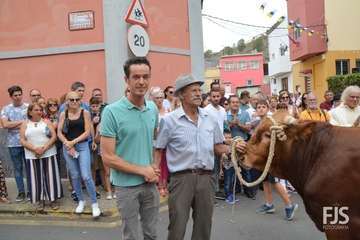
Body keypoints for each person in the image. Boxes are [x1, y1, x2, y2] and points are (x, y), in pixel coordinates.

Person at [155, 74, 229, 240]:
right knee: (177, 226)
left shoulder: (210, 118)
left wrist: (234, 149)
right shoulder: (169, 120)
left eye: (199, 90)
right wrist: (158, 180)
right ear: (181, 95)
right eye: (193, 90)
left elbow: (218, 146)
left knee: (204, 226)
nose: (198, 93)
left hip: (207, 178)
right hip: (181, 179)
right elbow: (159, 148)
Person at [100, 57, 160, 240]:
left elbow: (154, 142)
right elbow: (107, 157)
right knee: (132, 235)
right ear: (126, 80)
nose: (141, 82)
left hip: (150, 185)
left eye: (145, 76)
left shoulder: (152, 108)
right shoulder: (111, 112)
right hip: (126, 187)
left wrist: (154, 166)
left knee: (151, 233)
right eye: (136, 77)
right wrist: (143, 170)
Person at [253, 100, 298, 221]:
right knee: (265, 180)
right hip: (263, 157)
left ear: (267, 108)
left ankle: (290, 205)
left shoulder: (272, 121)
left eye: (263, 106)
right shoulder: (258, 123)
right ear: (256, 110)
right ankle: (269, 205)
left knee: (275, 182)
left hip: (273, 157)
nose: (261, 109)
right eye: (258, 107)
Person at [57, 91, 101, 218]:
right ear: (67, 102)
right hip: (68, 148)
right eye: (72, 100)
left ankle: (94, 203)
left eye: (77, 99)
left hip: (81, 147)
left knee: (86, 176)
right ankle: (81, 200)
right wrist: (67, 143)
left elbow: (87, 131)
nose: (75, 102)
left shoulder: (85, 113)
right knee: (75, 175)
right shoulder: (63, 114)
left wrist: (73, 142)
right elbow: (59, 132)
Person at [20, 103, 63, 210]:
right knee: (35, 178)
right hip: (32, 155)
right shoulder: (25, 124)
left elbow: (54, 136)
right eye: (36, 110)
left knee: (51, 177)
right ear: (30, 112)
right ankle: (40, 201)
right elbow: (22, 140)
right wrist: (35, 149)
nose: (39, 112)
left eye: (40, 110)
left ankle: (53, 200)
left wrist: (44, 148)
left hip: (48, 153)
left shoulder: (46, 121)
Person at [1, 85, 30, 202]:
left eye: (19, 94)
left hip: (28, 142)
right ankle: (21, 192)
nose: (18, 97)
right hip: (13, 144)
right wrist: (23, 122)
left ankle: (30, 191)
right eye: (15, 95)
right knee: (17, 169)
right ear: (11, 96)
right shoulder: (6, 109)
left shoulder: (28, 107)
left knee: (29, 168)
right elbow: (5, 125)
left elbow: (31, 121)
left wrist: (13, 124)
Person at [204, 89, 227, 198]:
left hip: (220, 142)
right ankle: (210, 192)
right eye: (214, 96)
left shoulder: (223, 110)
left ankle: (216, 189)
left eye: (218, 96)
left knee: (217, 167)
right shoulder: (206, 110)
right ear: (210, 97)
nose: (216, 98)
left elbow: (224, 126)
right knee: (210, 168)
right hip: (210, 143)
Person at [89, 96, 111, 200]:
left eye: (96, 106)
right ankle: (93, 187)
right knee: (93, 166)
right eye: (92, 106)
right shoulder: (88, 115)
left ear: (100, 106)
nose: (94, 108)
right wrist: (93, 123)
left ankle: (105, 186)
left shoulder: (103, 115)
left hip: (102, 143)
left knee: (103, 166)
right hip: (92, 143)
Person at [149, 87, 169, 197]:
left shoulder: (167, 110)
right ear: (152, 98)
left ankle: (164, 185)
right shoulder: (150, 110)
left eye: (161, 97)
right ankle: (157, 185)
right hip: (153, 141)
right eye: (157, 98)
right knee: (156, 163)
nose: (160, 100)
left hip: (165, 141)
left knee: (165, 164)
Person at [220, 129, 238, 204]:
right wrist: (220, 170)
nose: (228, 139)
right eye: (226, 137)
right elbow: (221, 159)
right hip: (226, 167)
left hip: (233, 166)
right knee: (227, 181)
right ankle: (228, 196)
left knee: (232, 181)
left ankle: (231, 194)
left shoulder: (233, 145)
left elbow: (236, 156)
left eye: (230, 137)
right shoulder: (222, 146)